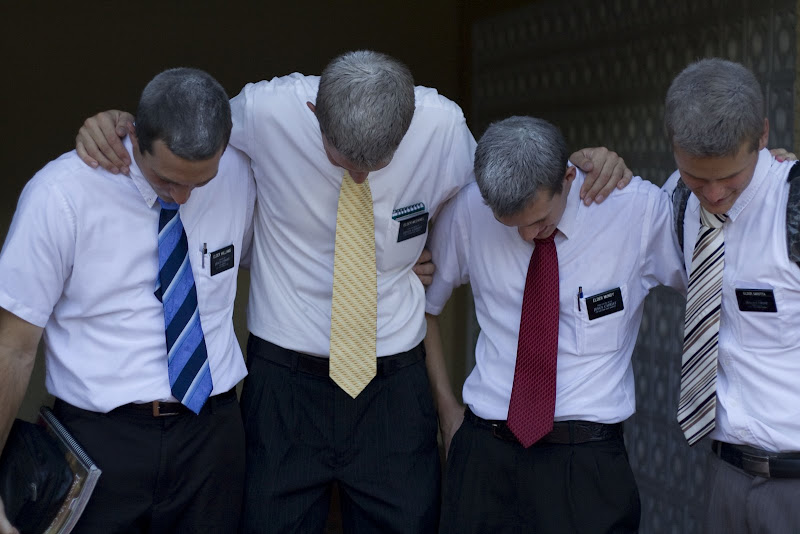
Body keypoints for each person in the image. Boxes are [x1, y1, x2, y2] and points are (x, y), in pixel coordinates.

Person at [74, 50, 633, 533]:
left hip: (394, 385)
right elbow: (182, 127)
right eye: (343, 161)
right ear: (315, 114)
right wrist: (116, 122)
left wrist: (586, 164)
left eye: (379, 164)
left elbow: (515, 177)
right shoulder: (266, 112)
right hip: (284, 387)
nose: (361, 178)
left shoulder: (442, 128)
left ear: (409, 126)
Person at [0, 68, 255, 534]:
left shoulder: (243, 171)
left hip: (212, 437)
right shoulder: (61, 194)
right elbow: (12, 346)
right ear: (134, 135)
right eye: (166, 179)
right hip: (98, 441)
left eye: (201, 182)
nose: (182, 196)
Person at [424, 115, 687, 533]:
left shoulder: (634, 209)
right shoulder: (470, 210)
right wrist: (447, 411)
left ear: (567, 178)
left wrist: (772, 179)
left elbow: (712, 268)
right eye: (513, 226)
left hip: (585, 463)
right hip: (486, 454)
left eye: (540, 220)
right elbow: (422, 305)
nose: (528, 235)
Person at [662, 58, 800, 533]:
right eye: (698, 177)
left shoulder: (793, 204)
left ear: (762, 136)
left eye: (731, 176)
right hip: (726, 475)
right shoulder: (677, 202)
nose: (715, 193)